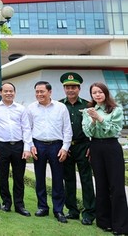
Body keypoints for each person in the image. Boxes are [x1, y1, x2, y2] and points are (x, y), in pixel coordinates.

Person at [82, 82, 128, 235]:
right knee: (101, 185)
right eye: (94, 92)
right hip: (96, 147)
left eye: (100, 92)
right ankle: (103, 222)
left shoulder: (116, 110)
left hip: (111, 147)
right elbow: (87, 131)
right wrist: (93, 120)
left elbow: (115, 129)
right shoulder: (88, 111)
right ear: (91, 95)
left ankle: (120, 225)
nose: (97, 95)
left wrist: (100, 119)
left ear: (106, 93)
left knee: (116, 186)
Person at [27, 81, 72, 223]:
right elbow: (27, 129)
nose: (39, 94)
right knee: (39, 177)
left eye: (42, 91)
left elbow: (67, 130)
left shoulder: (61, 107)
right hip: (38, 145)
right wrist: (31, 145)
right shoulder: (31, 108)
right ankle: (42, 207)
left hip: (56, 146)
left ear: (50, 92)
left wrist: (65, 147)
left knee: (58, 178)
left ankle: (58, 210)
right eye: (37, 92)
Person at [0, 82, 32, 217]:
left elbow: (26, 128)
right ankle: (6, 203)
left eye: (11, 91)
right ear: (1, 92)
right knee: (3, 176)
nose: (8, 93)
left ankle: (19, 205)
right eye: (5, 91)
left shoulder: (21, 109)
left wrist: (27, 147)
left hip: (18, 146)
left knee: (19, 177)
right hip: (1, 146)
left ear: (14, 92)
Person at [58, 72, 95, 225]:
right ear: (64, 89)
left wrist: (92, 146)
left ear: (79, 88)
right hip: (66, 147)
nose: (70, 90)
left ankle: (89, 213)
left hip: (83, 146)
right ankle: (72, 210)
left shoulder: (88, 105)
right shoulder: (59, 105)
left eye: (73, 87)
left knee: (86, 179)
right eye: (67, 87)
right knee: (69, 179)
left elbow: (95, 126)